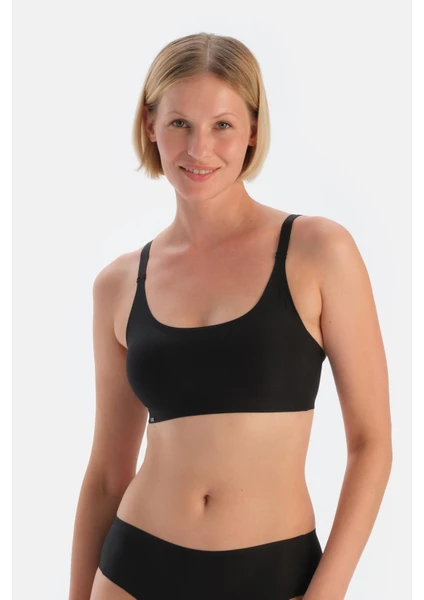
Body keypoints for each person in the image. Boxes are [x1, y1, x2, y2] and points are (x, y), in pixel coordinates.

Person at [69, 32, 393, 600]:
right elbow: (105, 476)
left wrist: (326, 594)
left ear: (253, 131)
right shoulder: (118, 284)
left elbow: (371, 445)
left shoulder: (318, 251)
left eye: (222, 124)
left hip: (273, 574)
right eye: (179, 123)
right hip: (134, 571)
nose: (200, 149)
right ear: (150, 125)